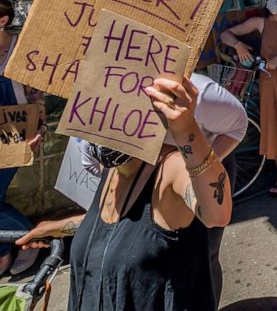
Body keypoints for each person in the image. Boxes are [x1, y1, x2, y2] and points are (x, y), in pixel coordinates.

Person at [19, 77, 232, 311]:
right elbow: (123, 231)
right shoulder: (112, 170)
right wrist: (55, 228)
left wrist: (186, 129)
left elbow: (216, 214)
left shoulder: (171, 169)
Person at [220, 0, 277, 196]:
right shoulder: (260, 23)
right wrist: (238, 46)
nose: (274, 1)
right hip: (269, 82)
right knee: (273, 126)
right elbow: (225, 35)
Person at [0, 0, 44, 275]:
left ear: (2, 20)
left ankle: (21, 241)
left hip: (16, 136)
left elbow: (36, 94)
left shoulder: (22, 50)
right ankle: (25, 241)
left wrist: (37, 131)